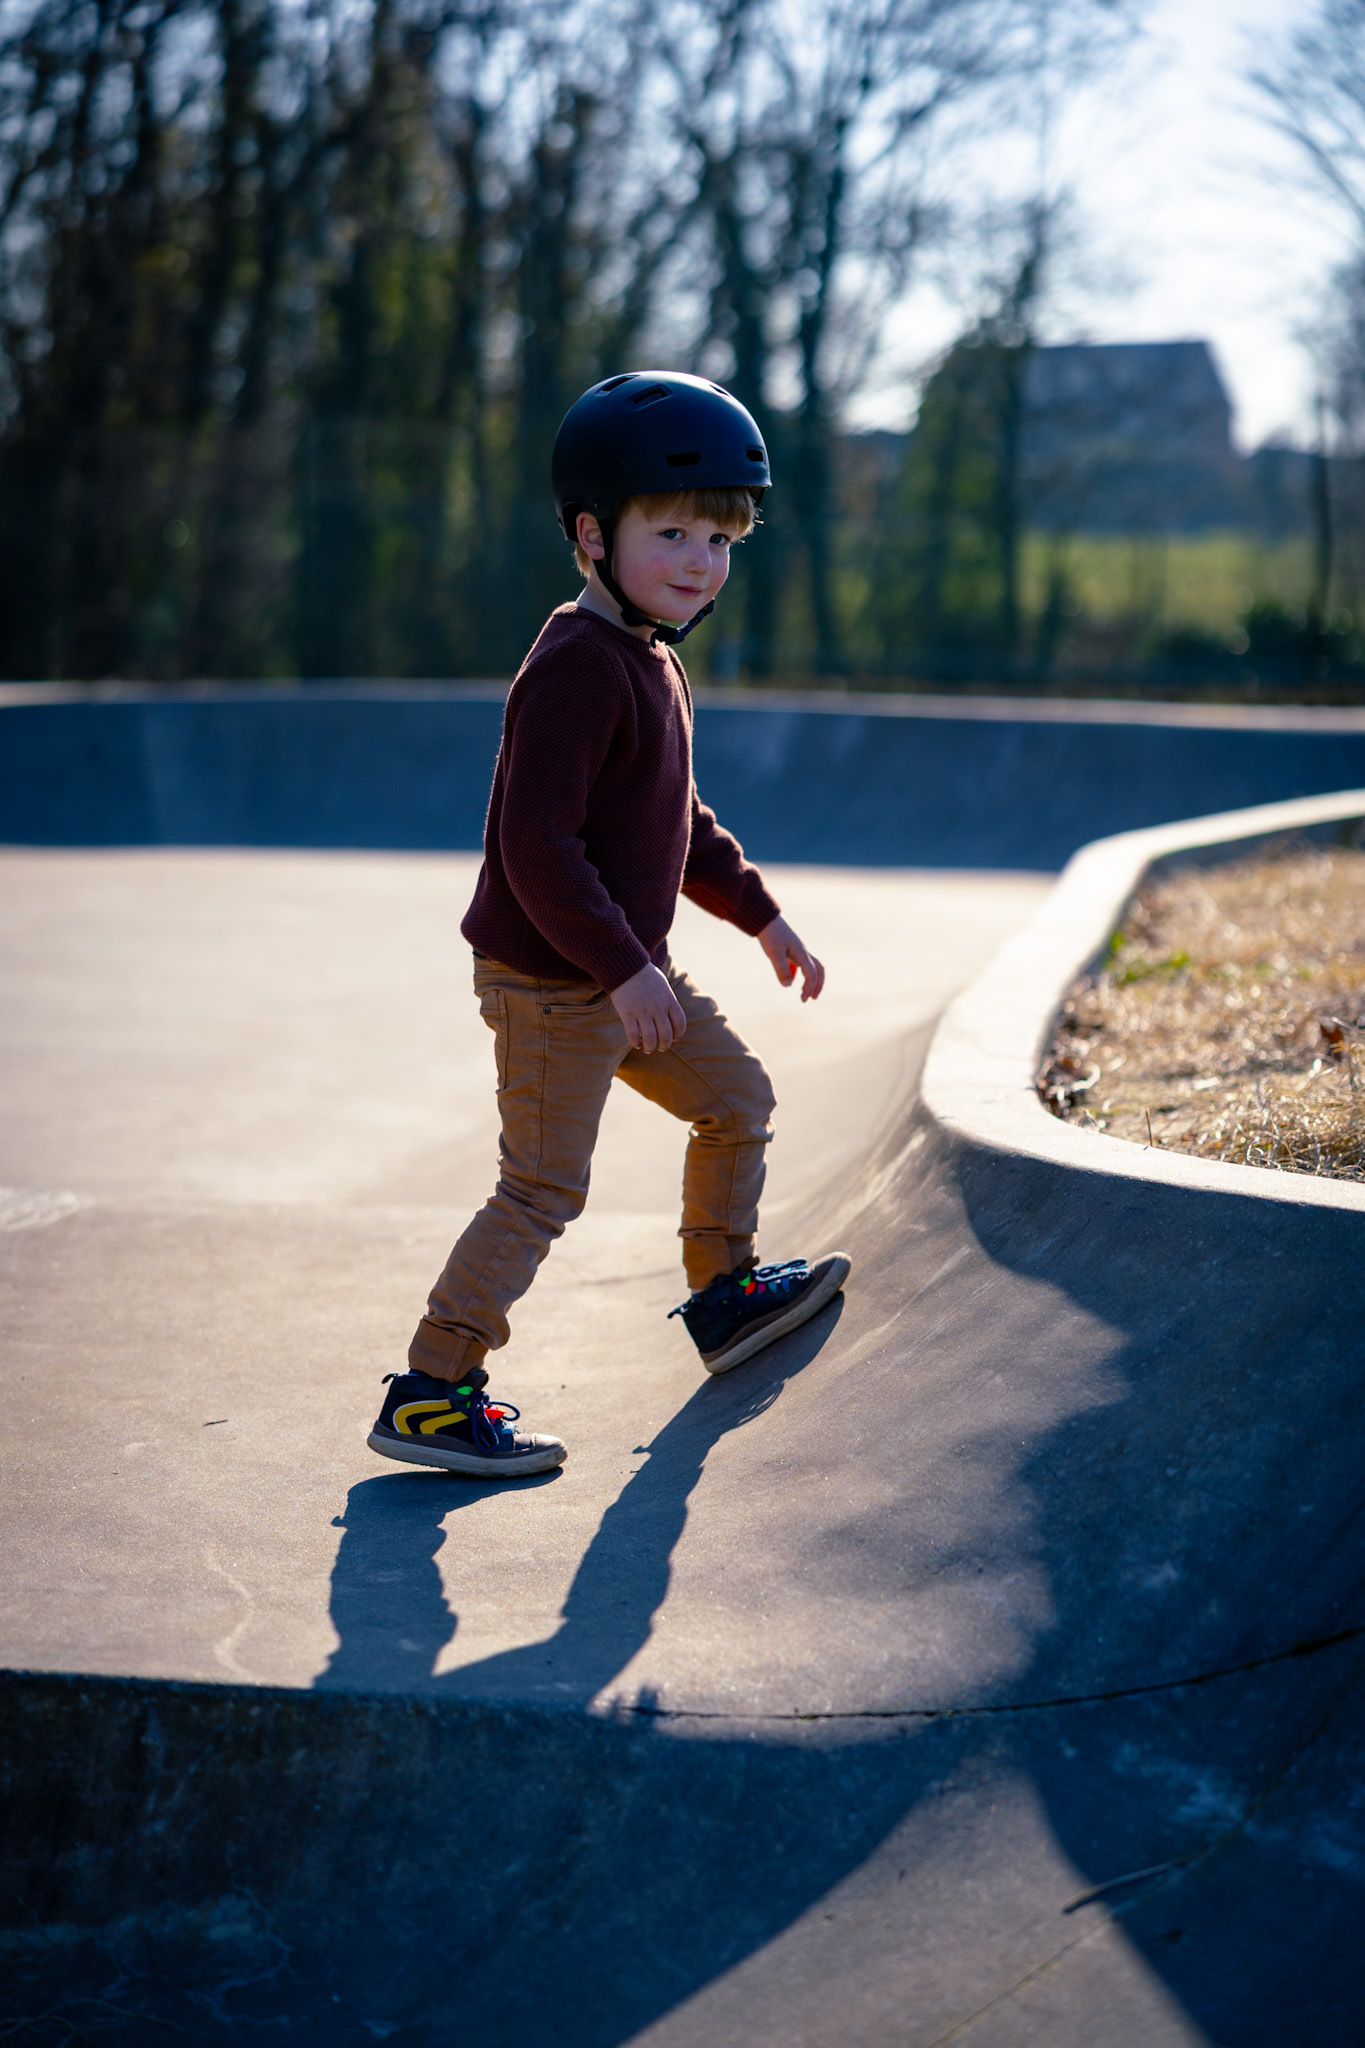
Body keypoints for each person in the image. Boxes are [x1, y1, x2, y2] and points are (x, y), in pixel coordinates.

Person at [368, 371, 851, 1479]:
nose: (699, 561)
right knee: (542, 1187)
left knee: (737, 1102)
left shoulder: (652, 660)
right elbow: (537, 847)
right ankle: (433, 1388)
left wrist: (764, 916)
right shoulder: (577, 665)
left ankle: (724, 1296)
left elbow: (675, 821)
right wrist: (629, 968)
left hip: (624, 972)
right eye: (672, 531)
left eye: (722, 540)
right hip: (552, 980)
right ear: (593, 534)